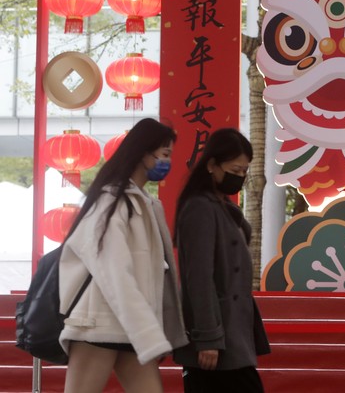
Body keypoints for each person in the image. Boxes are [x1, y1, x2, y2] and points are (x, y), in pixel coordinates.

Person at [58, 118, 188, 393]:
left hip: (130, 329)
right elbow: (114, 272)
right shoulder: (111, 202)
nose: (167, 162)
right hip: (99, 325)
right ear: (144, 154)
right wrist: (149, 334)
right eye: (164, 155)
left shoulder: (143, 203)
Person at [173, 128, 271, 393]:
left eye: (244, 172)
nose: (239, 177)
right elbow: (199, 278)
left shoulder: (224, 208)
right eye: (235, 169)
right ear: (212, 165)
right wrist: (208, 338)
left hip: (233, 333)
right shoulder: (199, 208)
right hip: (216, 336)